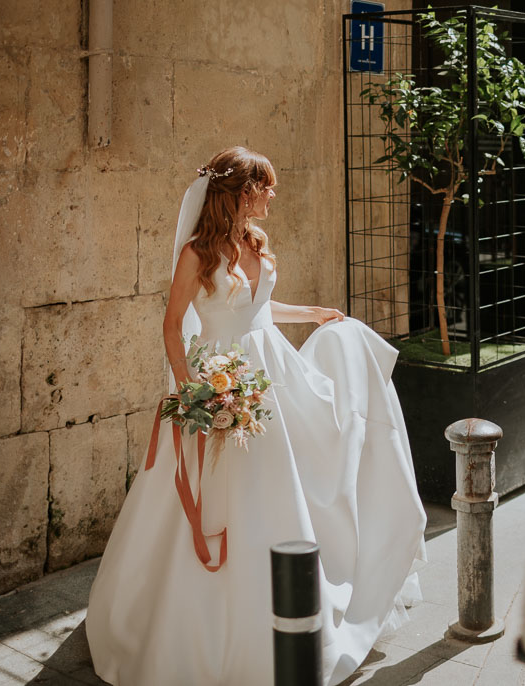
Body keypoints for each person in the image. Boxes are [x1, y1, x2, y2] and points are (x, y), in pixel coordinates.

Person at [86, 146, 427, 686]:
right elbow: (173, 324)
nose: (273, 194)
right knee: (224, 487)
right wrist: (192, 388)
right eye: (265, 185)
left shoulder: (255, 243)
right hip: (220, 376)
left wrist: (311, 312)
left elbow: (260, 312)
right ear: (242, 191)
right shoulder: (197, 254)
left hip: (270, 373)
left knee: (291, 473)